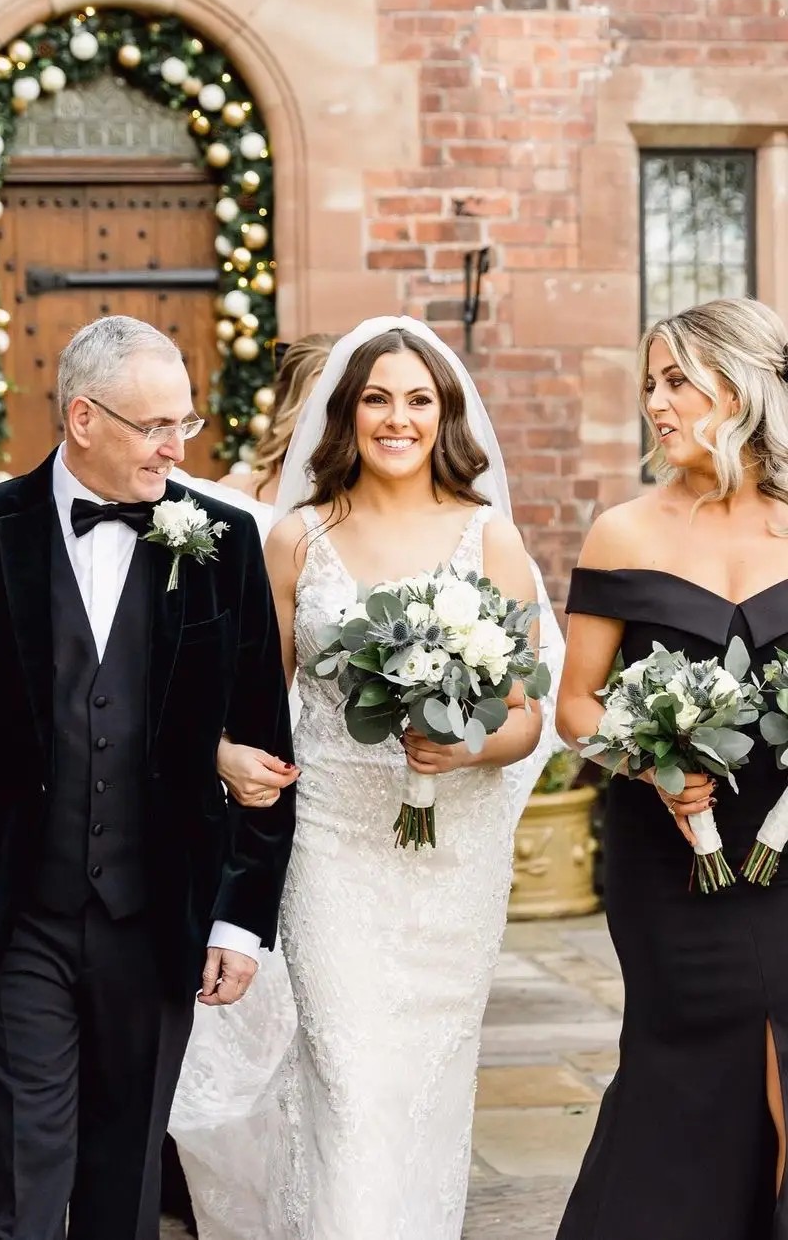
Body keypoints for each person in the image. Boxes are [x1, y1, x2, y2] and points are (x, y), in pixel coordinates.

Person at [0, 315, 296, 1240]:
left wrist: (238, 917)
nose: (175, 448)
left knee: (126, 1177)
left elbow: (265, 742)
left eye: (184, 424)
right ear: (82, 418)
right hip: (10, 910)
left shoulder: (222, 540)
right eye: (154, 427)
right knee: (25, 1180)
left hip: (156, 918)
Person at [252, 315, 554, 1239]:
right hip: (334, 845)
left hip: (450, 857)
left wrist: (467, 747)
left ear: (444, 416)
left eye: (418, 400)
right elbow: (263, 700)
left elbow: (527, 713)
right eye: (377, 398)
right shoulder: (297, 539)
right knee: (346, 1079)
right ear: (346, 414)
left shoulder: (488, 538)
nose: (397, 418)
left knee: (427, 1082)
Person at [555, 297, 788, 1239]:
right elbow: (577, 703)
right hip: (671, 859)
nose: (655, 402)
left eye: (677, 381)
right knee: (688, 1062)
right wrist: (643, 761)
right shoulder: (623, 531)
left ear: (742, 390)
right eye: (650, 382)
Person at [165, 334, 336, 1237]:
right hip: (251, 782)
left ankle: (322, 1189)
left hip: (343, 781)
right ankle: (221, 1188)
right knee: (238, 1005)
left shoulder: (368, 511)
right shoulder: (215, 508)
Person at [218, 333, 338, 506]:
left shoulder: (365, 510)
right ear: (285, 407)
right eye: (313, 407)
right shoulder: (232, 493)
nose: (328, 421)